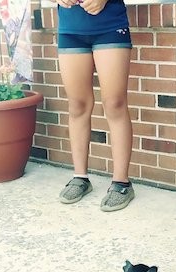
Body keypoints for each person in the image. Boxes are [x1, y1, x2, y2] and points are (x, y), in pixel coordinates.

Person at [54, 0, 135, 212]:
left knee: (114, 104)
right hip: (70, 28)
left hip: (110, 26)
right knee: (77, 105)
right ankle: (80, 178)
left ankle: (121, 183)